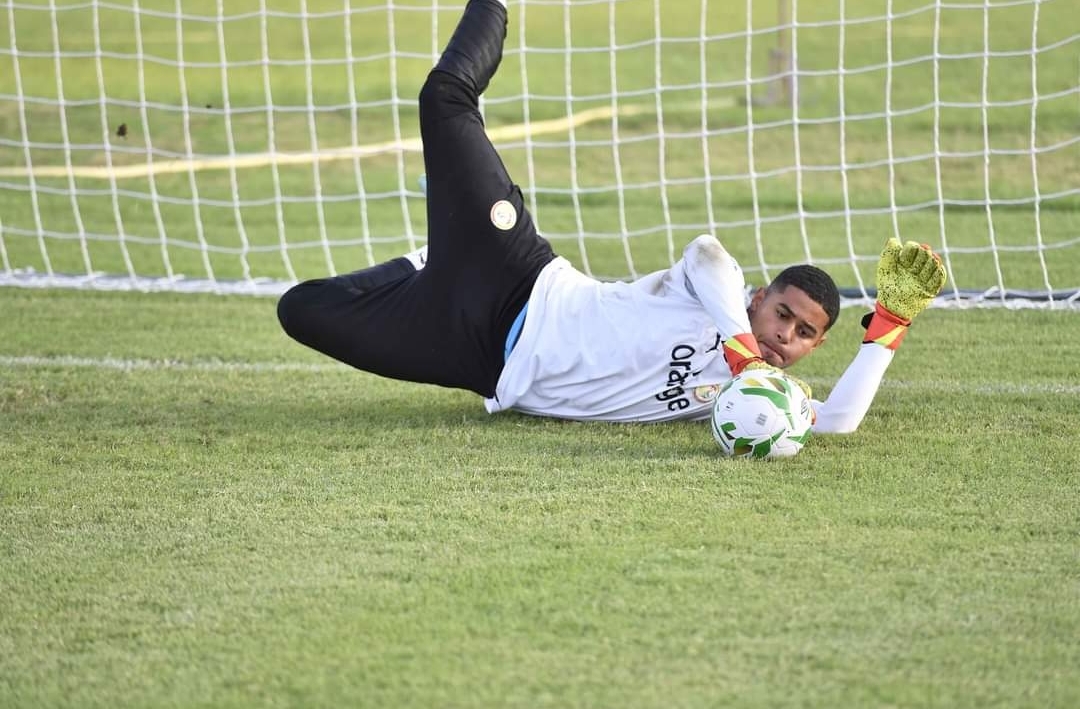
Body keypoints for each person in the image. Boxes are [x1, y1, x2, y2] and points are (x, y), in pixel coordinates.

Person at [276, 0, 947, 432]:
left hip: (473, 355)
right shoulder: (720, 297)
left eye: (803, 334)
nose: (784, 336)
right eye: (782, 314)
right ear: (761, 296)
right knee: (445, 97)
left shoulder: (764, 402)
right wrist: (739, 348)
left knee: (300, 311)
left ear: (813, 348)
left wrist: (888, 327)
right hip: (514, 276)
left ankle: (426, 265)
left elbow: (833, 424)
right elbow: (706, 252)